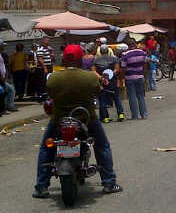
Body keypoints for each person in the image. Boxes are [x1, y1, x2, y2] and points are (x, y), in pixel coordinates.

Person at [32, 44, 123, 198]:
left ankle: (41, 186)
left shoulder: (53, 78)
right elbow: (98, 91)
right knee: (102, 146)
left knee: (46, 149)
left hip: (59, 121)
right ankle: (109, 182)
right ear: (81, 59)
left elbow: (50, 93)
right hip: (86, 119)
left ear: (63, 60)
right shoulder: (90, 77)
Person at [120, 40, 148, 120]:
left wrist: (122, 78)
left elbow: (123, 68)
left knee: (132, 96)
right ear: (135, 44)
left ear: (128, 46)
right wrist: (144, 75)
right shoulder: (142, 53)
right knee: (141, 96)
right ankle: (144, 114)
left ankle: (135, 115)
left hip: (130, 77)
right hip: (140, 76)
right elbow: (145, 65)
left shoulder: (125, 55)